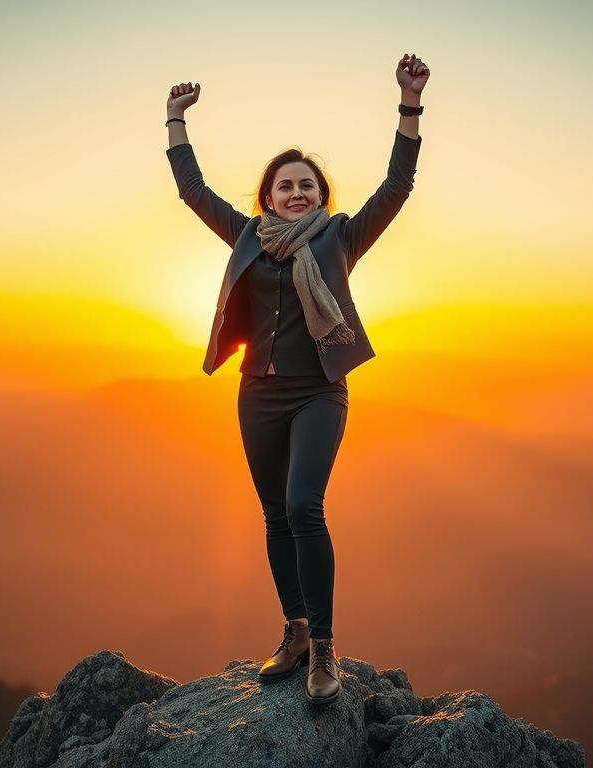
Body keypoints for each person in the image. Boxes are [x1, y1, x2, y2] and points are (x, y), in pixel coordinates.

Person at [165, 53, 429, 706]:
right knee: (273, 515)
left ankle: (326, 649)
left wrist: (409, 102)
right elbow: (194, 192)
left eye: (306, 185)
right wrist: (175, 120)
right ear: (268, 197)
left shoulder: (340, 238)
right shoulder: (247, 237)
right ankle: (296, 631)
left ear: (320, 195)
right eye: (285, 186)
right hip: (256, 392)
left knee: (303, 505)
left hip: (319, 392)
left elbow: (396, 187)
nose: (296, 193)